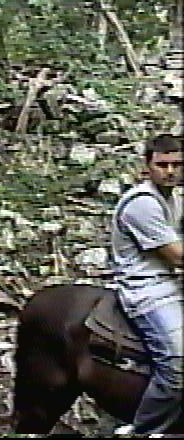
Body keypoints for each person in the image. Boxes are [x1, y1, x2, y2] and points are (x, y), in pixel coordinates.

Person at [110, 133, 183, 435]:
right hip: (147, 289)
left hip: (171, 282)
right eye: (162, 165)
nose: (170, 171)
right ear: (147, 167)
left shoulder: (175, 198)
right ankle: (143, 429)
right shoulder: (142, 204)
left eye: (177, 165)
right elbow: (178, 256)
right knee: (178, 363)